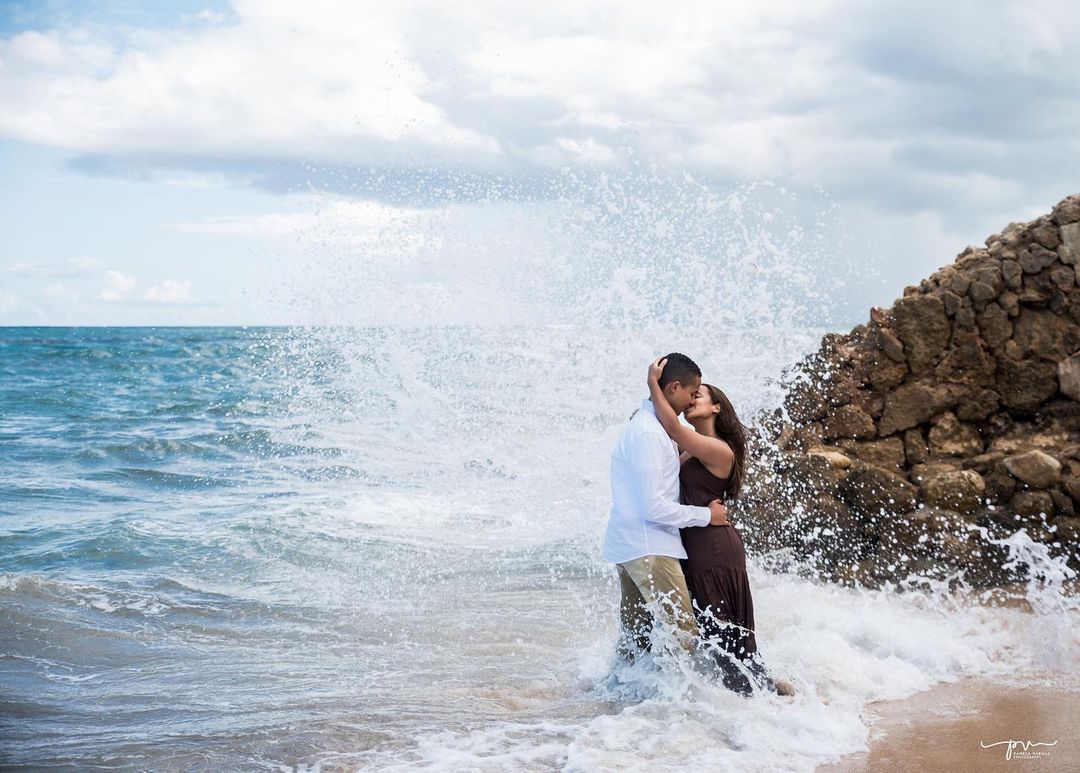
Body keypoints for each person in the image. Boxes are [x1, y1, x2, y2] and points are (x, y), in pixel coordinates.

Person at [646, 356, 796, 697]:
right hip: (698, 545)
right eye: (692, 392)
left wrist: (653, 384)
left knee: (725, 637)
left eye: (700, 394)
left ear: (716, 408)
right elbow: (663, 449)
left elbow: (671, 428)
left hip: (714, 550)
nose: (693, 397)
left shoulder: (718, 449)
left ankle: (759, 703)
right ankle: (759, 693)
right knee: (716, 635)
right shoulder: (691, 449)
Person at [601, 352, 732, 663]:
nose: (691, 400)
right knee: (684, 635)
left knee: (636, 639)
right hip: (650, 549)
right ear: (673, 387)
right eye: (691, 391)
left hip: (633, 546)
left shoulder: (652, 427)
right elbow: (653, 507)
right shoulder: (648, 433)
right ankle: (682, 708)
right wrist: (707, 515)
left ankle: (621, 699)